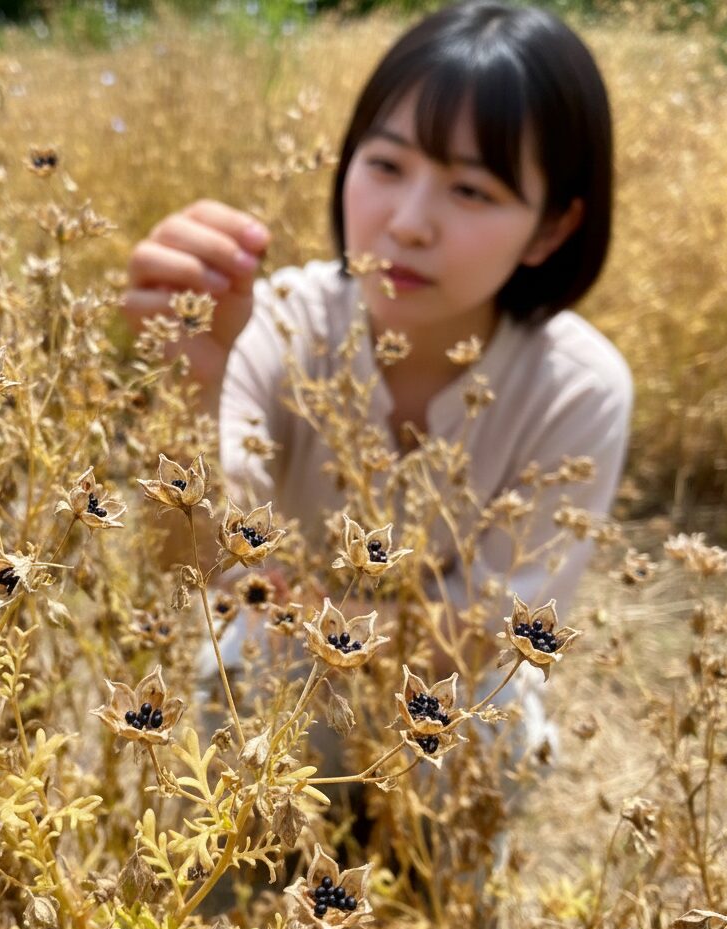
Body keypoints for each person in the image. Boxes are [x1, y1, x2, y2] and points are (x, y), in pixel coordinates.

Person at [123, 0, 633, 721]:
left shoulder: (577, 388)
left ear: (552, 227)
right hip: (277, 678)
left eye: (471, 189)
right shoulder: (272, 325)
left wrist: (291, 603)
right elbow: (190, 560)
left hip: (451, 713)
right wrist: (191, 389)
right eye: (387, 164)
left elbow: (494, 638)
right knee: (231, 696)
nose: (408, 223)